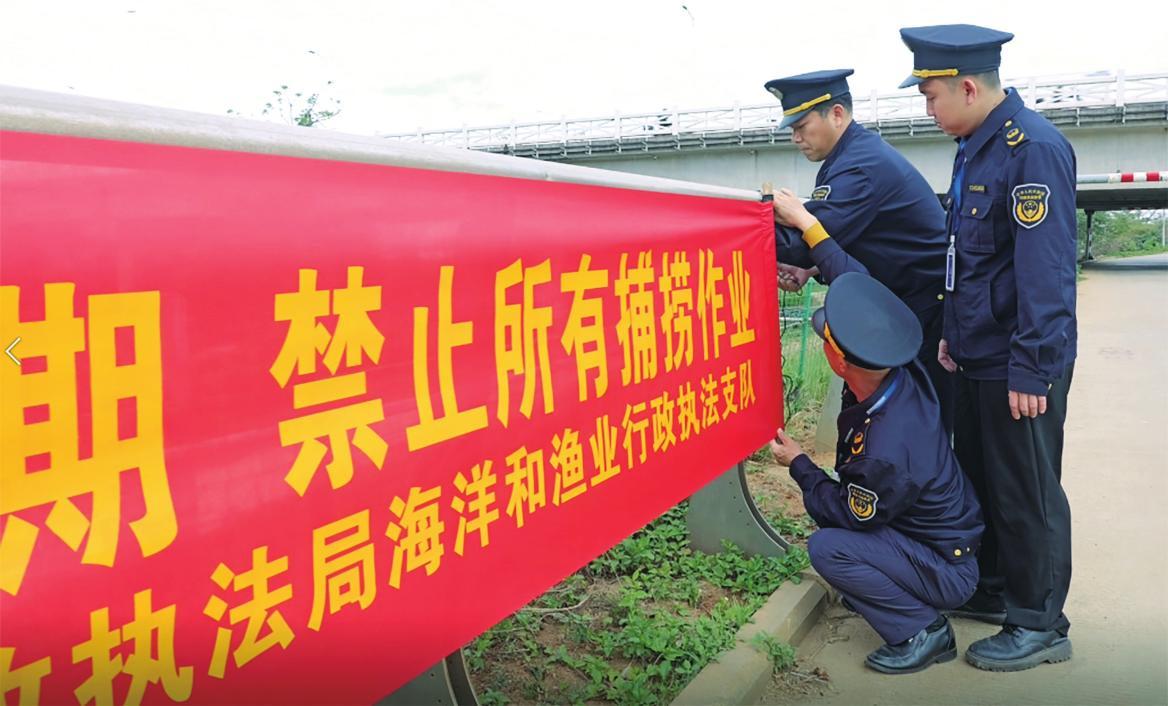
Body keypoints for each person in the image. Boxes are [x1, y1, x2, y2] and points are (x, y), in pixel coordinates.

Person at [899, 24, 1078, 671]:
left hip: (1018, 361)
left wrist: (1032, 366)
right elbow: (969, 259)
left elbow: (1046, 273)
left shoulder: (1033, 150)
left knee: (1026, 489)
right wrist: (954, 332)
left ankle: (1040, 622)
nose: (928, 109)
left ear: (968, 88)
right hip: (977, 352)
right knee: (983, 480)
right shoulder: (975, 148)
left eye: (931, 96)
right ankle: (997, 588)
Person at [769, 271, 984, 675]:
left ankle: (923, 631)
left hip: (947, 568)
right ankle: (893, 589)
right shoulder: (899, 376)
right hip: (941, 541)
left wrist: (799, 464)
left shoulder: (885, 449)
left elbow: (847, 514)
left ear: (840, 361)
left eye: (826, 339)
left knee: (829, 548)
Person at [763, 69, 954, 432]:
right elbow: (858, 237)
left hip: (923, 315)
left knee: (915, 428)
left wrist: (747, 224)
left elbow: (804, 242)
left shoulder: (859, 167)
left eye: (801, 126)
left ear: (836, 114)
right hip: (906, 305)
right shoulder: (850, 156)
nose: (795, 137)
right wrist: (813, 269)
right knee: (905, 424)